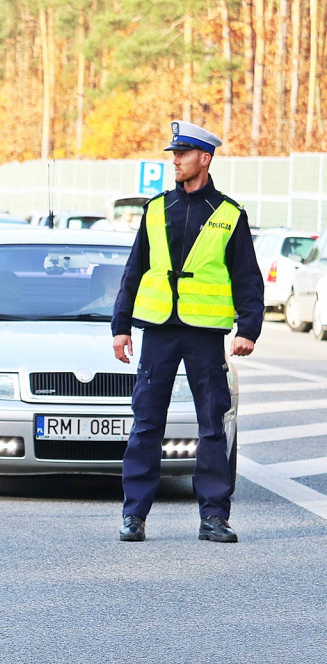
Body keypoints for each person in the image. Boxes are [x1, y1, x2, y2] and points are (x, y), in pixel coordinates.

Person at [112, 120, 263, 544]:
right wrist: (120, 327)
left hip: (204, 334)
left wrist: (248, 327)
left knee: (212, 426)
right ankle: (134, 516)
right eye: (172, 154)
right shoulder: (157, 209)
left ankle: (214, 517)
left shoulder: (230, 214)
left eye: (182, 154)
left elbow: (247, 277)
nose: (174, 160)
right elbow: (134, 271)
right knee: (145, 425)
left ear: (205, 158)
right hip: (158, 332)